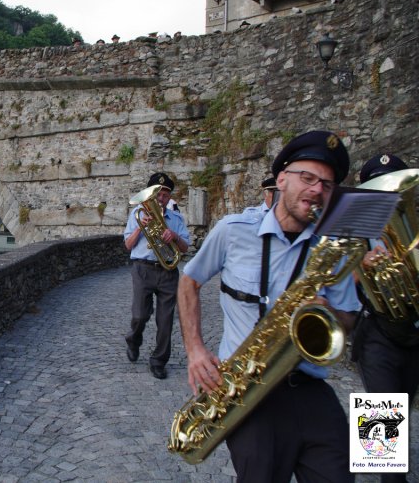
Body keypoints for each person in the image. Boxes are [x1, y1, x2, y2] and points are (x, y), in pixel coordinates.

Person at [177, 130, 359, 482]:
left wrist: (328, 310)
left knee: (365, 450)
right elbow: (190, 279)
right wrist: (195, 350)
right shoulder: (233, 230)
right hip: (251, 393)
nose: (317, 190)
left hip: (313, 386)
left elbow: (349, 315)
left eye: (327, 184)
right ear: (281, 180)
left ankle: (391, 471)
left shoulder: (335, 245)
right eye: (308, 178)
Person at [352, 153, 419, 483]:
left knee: (403, 405)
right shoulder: (356, 231)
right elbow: (336, 282)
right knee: (381, 425)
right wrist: (361, 267)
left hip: (413, 331)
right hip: (377, 332)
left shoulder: (412, 226)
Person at [124, 172, 190, 379]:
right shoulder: (137, 214)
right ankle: (134, 340)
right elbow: (128, 245)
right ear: (149, 195)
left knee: (165, 321)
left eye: (165, 195)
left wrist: (175, 236)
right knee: (140, 315)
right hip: (142, 269)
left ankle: (159, 361)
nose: (161, 199)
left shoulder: (176, 218)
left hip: (168, 271)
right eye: (158, 195)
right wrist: (141, 227)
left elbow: (185, 247)